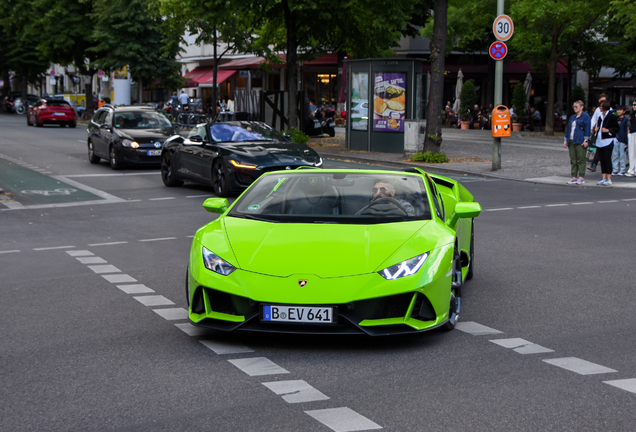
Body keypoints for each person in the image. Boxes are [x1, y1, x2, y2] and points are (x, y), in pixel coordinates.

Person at [563, 100, 591, 185]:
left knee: (581, 159)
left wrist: (586, 140)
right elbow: (569, 129)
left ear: (582, 107)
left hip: (580, 140)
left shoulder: (585, 116)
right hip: (571, 139)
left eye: (576, 106)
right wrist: (566, 139)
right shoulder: (572, 117)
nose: (575, 108)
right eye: (574, 107)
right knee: (573, 159)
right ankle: (574, 176)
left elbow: (587, 128)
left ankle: (581, 177)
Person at [595, 100, 620, 186]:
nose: (600, 108)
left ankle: (609, 178)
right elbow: (597, 127)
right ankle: (603, 177)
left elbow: (617, 128)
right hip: (599, 140)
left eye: (601, 106)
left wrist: (608, 130)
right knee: (602, 160)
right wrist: (595, 130)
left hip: (608, 140)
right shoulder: (600, 116)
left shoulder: (612, 116)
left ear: (605, 107)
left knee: (607, 159)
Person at [588, 94, 608, 172]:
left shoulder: (610, 110)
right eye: (601, 101)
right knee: (599, 150)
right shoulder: (597, 110)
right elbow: (593, 120)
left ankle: (596, 164)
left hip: (606, 135)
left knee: (603, 151)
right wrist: (591, 129)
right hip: (598, 133)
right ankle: (594, 164)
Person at [612, 105, 628, 176]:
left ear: (624, 111)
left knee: (622, 155)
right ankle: (615, 169)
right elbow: (611, 112)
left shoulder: (626, 120)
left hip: (623, 139)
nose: (618, 111)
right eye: (618, 110)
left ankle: (622, 169)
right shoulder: (616, 118)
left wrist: (626, 142)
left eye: (620, 110)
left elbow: (627, 131)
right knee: (615, 155)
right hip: (615, 138)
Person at [627, 101, 636, 177]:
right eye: (633, 105)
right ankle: (631, 169)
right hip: (631, 133)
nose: (634, 106)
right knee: (631, 152)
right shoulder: (632, 114)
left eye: (635, 105)